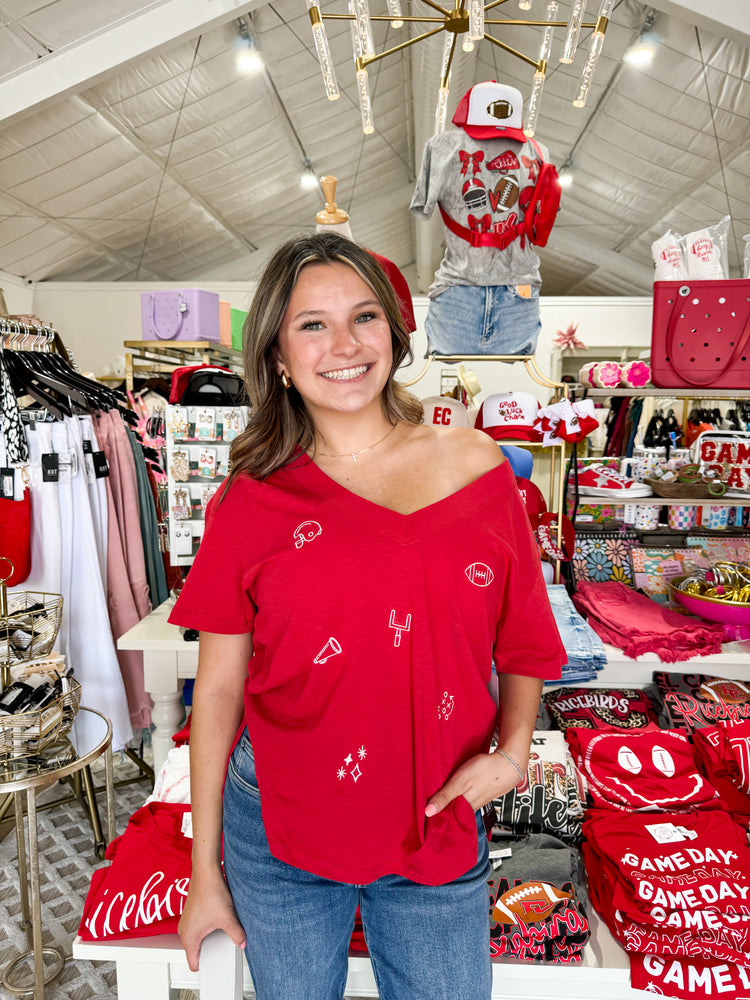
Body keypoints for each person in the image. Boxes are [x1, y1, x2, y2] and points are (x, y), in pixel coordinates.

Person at [169, 230, 566, 999]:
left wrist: (513, 754)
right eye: (311, 324)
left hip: (438, 815)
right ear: (279, 354)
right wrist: (202, 872)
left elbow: (524, 640)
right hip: (280, 823)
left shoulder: (477, 468)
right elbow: (217, 694)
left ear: (394, 332)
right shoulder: (249, 500)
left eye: (364, 318)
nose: (343, 345)